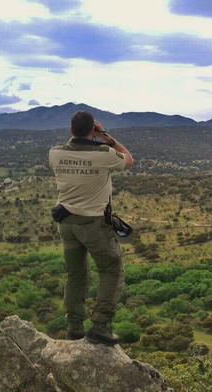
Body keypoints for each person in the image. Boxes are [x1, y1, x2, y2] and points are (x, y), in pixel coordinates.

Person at [48, 111, 133, 345]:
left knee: (75, 276)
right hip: (94, 224)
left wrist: (85, 135)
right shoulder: (103, 154)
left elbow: (73, 148)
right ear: (93, 131)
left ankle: (74, 327)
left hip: (66, 224)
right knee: (111, 269)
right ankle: (101, 326)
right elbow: (128, 158)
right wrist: (105, 136)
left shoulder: (55, 153)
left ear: (70, 130)